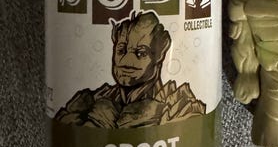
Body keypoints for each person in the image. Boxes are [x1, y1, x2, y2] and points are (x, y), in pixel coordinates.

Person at [55, 11, 205, 128]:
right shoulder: (90, 101)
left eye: (141, 53)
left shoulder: (181, 104)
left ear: (159, 55)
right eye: (121, 50)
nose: (126, 61)